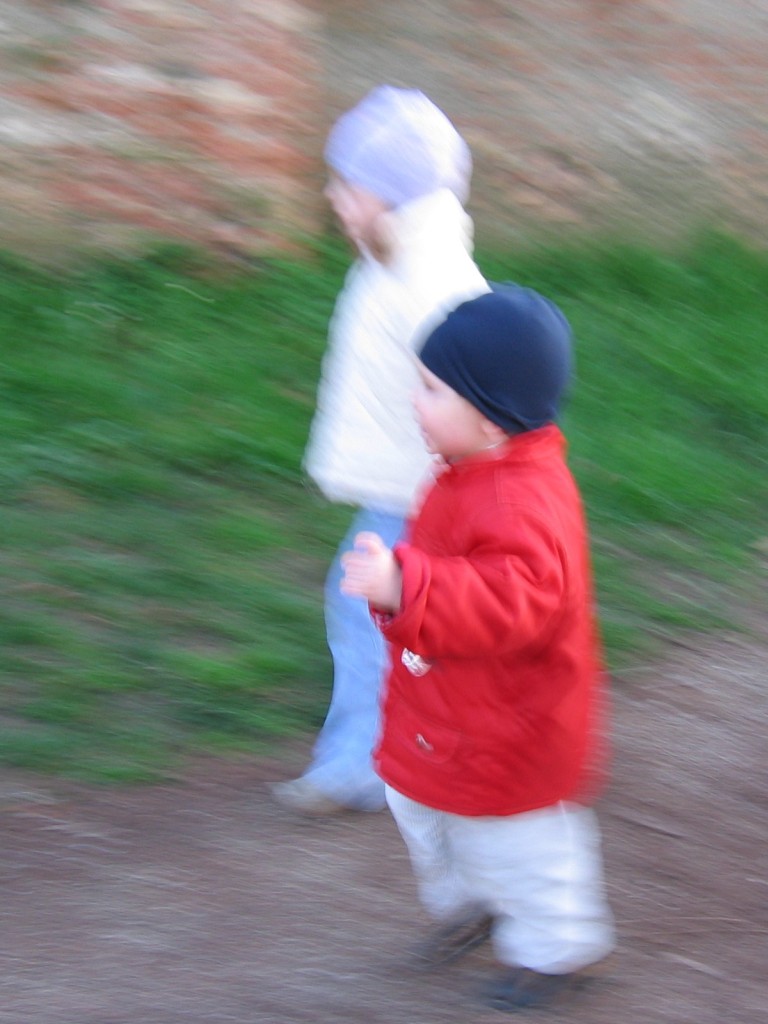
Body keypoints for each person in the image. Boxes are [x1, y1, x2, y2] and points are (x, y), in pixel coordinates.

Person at [340, 287, 615, 1012]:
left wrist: (407, 583)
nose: (414, 399)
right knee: (419, 803)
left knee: (520, 844)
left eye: (432, 388)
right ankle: (481, 904)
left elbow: (514, 600)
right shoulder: (475, 471)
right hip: (452, 713)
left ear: (490, 417)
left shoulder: (523, 499)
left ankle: (557, 950)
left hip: (511, 726)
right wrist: (408, 581)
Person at [271, 86, 488, 815]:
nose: (331, 196)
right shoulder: (391, 259)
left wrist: (466, 485)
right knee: (394, 620)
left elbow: (473, 392)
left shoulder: (431, 280)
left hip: (426, 492)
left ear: (392, 196)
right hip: (398, 485)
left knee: (371, 613)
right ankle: (425, 750)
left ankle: (365, 766)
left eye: (346, 184)